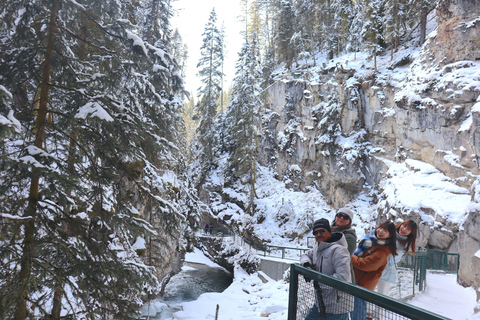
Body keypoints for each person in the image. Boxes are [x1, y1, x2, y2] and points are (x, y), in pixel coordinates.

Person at [300, 218, 354, 320]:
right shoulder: (318, 247)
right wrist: (307, 266)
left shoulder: (339, 251)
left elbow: (343, 278)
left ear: (329, 232)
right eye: (315, 232)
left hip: (337, 306)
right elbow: (305, 255)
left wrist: (318, 282)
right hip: (321, 303)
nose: (318, 234)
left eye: (321, 231)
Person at [350, 221, 397, 320]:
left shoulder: (382, 252)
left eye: (385, 231)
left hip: (362, 285)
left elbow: (364, 264)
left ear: (390, 235)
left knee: (358, 314)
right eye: (380, 228)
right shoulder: (371, 241)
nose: (381, 231)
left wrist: (349, 257)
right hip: (356, 282)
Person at [376, 219, 418, 296]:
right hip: (375, 267)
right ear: (401, 224)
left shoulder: (403, 245)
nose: (404, 229)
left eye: (408, 229)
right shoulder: (390, 232)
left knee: (381, 296)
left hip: (386, 271)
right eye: (404, 226)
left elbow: (387, 253)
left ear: (411, 233)